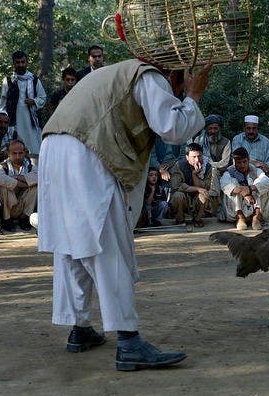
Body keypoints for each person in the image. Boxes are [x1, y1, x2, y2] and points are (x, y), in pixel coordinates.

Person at [39, 57, 211, 371]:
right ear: (173, 74)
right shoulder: (149, 76)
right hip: (86, 151)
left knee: (72, 241)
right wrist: (194, 97)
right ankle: (128, 341)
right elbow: (172, 127)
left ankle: (80, 328)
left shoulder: (113, 73)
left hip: (55, 147)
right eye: (179, 84)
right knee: (107, 242)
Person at [0, 51, 46, 160]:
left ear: (27, 62)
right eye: (18, 62)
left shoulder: (34, 80)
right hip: (14, 121)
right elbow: (3, 102)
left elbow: (42, 98)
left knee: (33, 147)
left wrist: (34, 101)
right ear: (13, 63)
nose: (20, 65)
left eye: (23, 62)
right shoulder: (8, 81)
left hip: (31, 122)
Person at [220, 147, 269, 230]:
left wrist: (250, 188)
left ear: (248, 160)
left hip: (256, 207)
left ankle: (256, 217)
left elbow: (267, 181)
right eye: (239, 163)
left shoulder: (255, 170)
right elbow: (225, 185)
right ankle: (240, 218)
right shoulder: (229, 172)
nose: (242, 165)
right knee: (233, 185)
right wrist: (244, 193)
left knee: (259, 183)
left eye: (244, 162)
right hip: (235, 211)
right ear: (234, 162)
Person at [0, 139, 38, 232]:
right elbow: (0, 179)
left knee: (36, 188)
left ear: (25, 153)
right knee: (2, 188)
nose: (18, 156)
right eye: (14, 153)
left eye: (20, 153)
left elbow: (39, 177)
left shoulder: (30, 166)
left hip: (22, 205)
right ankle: (6, 220)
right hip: (8, 206)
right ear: (8, 154)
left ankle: (24, 219)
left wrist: (16, 177)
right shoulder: (1, 166)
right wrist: (22, 184)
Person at [169, 142, 213, 228]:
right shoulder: (179, 165)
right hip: (184, 196)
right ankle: (180, 219)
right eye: (194, 157)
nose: (197, 160)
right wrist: (197, 188)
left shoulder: (207, 167)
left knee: (204, 195)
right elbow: (177, 186)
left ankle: (198, 219)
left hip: (197, 197)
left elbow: (205, 187)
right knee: (178, 195)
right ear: (187, 157)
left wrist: (194, 175)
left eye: (199, 156)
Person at [191, 114, 230, 205]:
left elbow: (224, 163)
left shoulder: (226, 142)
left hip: (220, 172)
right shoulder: (198, 140)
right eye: (210, 128)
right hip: (200, 170)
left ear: (220, 128)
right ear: (206, 129)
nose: (213, 131)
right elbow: (194, 157)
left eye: (215, 128)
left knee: (214, 171)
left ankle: (213, 200)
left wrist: (209, 165)